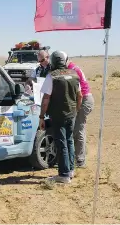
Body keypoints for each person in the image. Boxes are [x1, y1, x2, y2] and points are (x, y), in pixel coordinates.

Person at [39, 51, 82, 184]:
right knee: (69, 141)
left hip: (58, 115)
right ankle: (70, 169)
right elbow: (80, 96)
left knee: (62, 143)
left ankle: (64, 175)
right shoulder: (74, 74)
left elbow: (46, 99)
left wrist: (41, 116)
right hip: (71, 114)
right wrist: (76, 109)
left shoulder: (52, 76)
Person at [63, 53, 94, 168]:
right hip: (81, 99)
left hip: (84, 99)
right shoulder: (70, 68)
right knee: (77, 129)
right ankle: (78, 155)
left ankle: (80, 160)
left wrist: (76, 108)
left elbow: (79, 94)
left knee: (78, 129)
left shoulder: (72, 70)